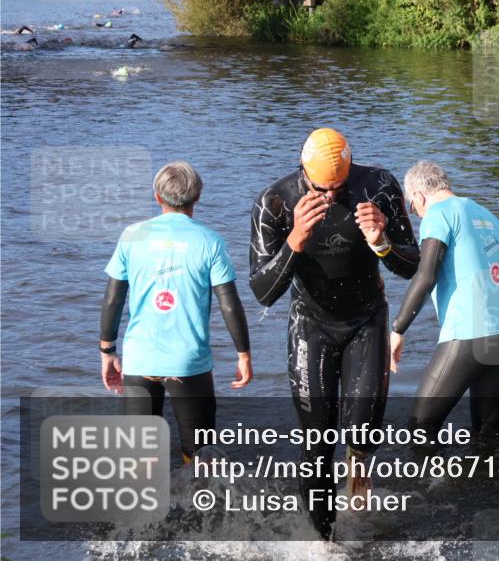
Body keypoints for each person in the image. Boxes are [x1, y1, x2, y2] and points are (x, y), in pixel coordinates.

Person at [249, 128, 418, 538]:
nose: (331, 195)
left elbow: (412, 265)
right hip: (311, 324)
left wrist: (381, 243)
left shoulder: (378, 186)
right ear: (304, 172)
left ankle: (358, 475)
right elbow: (262, 292)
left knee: (362, 433)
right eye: (322, 188)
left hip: (366, 319)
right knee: (317, 443)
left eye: (339, 187)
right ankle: (325, 543)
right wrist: (294, 242)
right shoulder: (274, 202)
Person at [101, 162, 253, 463]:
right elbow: (229, 303)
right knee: (200, 456)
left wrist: (107, 351)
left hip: (139, 358)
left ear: (157, 197)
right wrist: (243, 355)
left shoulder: (132, 235)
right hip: (189, 363)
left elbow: (113, 299)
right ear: (198, 196)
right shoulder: (210, 241)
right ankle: (200, 506)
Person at [389, 161, 499, 438]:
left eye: (413, 208)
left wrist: (398, 329)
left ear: (419, 195)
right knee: (488, 433)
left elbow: (425, 276)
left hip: (466, 333)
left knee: (420, 427)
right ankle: (493, 481)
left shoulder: (437, 215)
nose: (416, 214)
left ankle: (427, 482)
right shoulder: (488, 215)